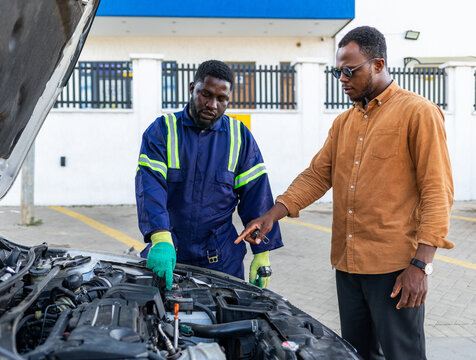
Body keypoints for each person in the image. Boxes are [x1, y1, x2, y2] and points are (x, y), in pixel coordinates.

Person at [236, 26, 453, 360]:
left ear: (378, 64)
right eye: (338, 71)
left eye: (349, 70)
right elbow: (316, 176)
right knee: (357, 352)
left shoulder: (418, 113)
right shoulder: (343, 123)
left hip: (395, 269)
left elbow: (437, 191)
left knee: (403, 354)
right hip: (349, 266)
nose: (342, 78)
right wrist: (271, 215)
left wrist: (421, 266)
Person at [135, 60, 282, 290]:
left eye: (221, 99)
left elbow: (257, 195)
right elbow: (150, 187)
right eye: (206, 94)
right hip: (169, 253)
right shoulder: (162, 130)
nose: (212, 104)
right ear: (192, 88)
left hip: (222, 260)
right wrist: (160, 237)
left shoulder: (239, 137)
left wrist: (262, 253)